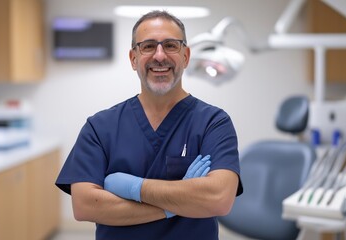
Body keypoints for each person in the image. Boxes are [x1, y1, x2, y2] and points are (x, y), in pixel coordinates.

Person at [55, 10, 243, 240]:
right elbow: (85, 205)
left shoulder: (213, 123)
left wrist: (134, 187)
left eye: (171, 46)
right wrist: (176, 203)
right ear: (134, 58)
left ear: (186, 56)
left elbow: (219, 199)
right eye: (148, 46)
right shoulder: (99, 127)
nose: (160, 56)